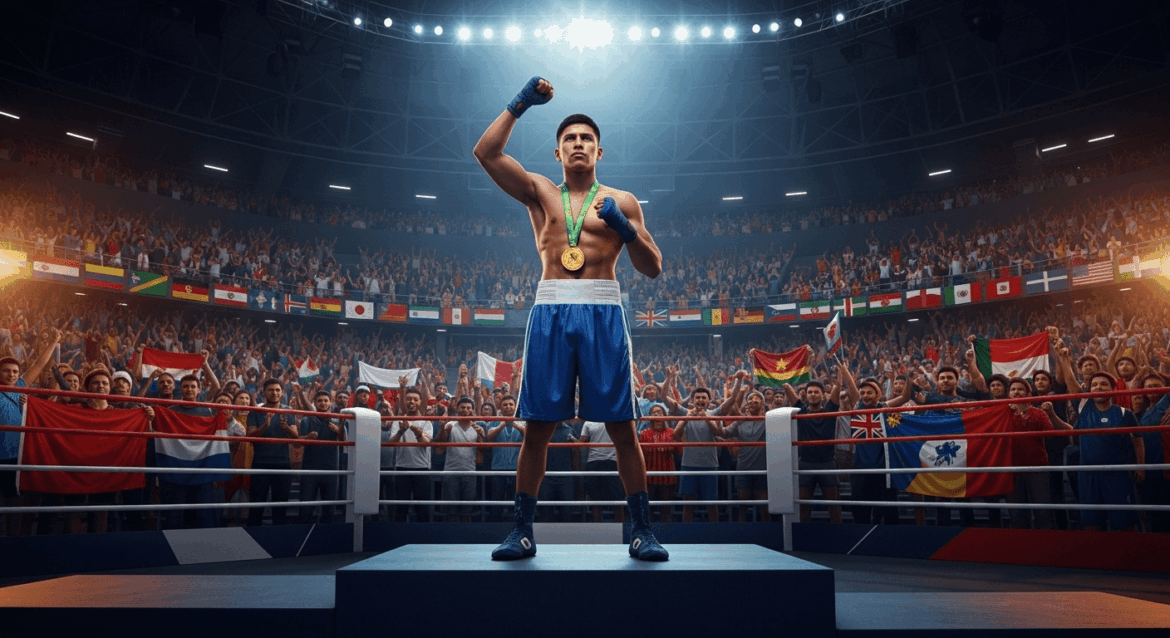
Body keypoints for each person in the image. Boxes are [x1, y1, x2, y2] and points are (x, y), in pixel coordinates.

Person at [474, 77, 667, 561]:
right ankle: (521, 530)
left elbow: (653, 267)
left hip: (604, 307)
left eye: (586, 139)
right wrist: (520, 104)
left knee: (621, 426)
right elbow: (486, 153)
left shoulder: (623, 201)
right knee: (539, 427)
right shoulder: (540, 191)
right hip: (551, 307)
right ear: (557, 153)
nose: (578, 144)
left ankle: (641, 530)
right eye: (569, 140)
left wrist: (625, 229)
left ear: (599, 151)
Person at [1074, 372, 1143, 531]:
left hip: (1117, 475)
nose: (1098, 387)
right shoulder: (1085, 407)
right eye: (1094, 384)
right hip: (1088, 475)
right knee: (1091, 524)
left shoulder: (1125, 413)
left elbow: (1138, 439)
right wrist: (1063, 358)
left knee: (1125, 524)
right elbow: (1072, 384)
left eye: (1103, 384)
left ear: (1113, 389)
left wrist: (1140, 466)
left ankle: (1128, 555)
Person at [1003, 377, 1072, 529]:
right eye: (1013, 389)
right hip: (1012, 470)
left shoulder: (1038, 413)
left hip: (1037, 468)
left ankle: (1046, 546)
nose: (1016, 392)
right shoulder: (1002, 414)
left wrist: (1050, 413)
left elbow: (1050, 434)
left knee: (1043, 513)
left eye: (1020, 389)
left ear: (1028, 393)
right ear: (1008, 393)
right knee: (1017, 514)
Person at [246, 378, 298, 526]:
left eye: (277, 390)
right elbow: (250, 437)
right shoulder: (256, 411)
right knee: (256, 507)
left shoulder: (288, 411)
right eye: (270, 390)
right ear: (264, 392)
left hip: (282, 464)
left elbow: (296, 437)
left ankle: (279, 541)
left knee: (280, 508)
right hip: (260, 463)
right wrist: (264, 425)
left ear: (282, 392)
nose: (274, 393)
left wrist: (286, 427)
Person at [298, 390, 345, 524]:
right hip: (309, 469)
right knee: (306, 510)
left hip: (331, 469)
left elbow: (345, 442)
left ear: (330, 402)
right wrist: (308, 437)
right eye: (319, 401)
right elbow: (298, 441)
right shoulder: (307, 419)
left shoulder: (337, 419)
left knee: (329, 511)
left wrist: (337, 430)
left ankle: (326, 540)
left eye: (325, 400)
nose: (323, 403)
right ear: (315, 403)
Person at [435, 398, 485, 523]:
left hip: (470, 471)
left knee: (467, 511)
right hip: (451, 471)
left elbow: (483, 450)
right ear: (457, 409)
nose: (465, 410)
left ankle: (466, 538)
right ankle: (450, 538)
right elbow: (439, 447)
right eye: (462, 407)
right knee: (450, 511)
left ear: (472, 410)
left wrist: (480, 436)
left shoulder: (477, 427)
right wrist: (442, 428)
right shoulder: (450, 424)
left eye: (468, 408)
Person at [389, 385, 433, 522]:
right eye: (408, 399)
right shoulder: (398, 421)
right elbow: (391, 443)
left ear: (420, 402)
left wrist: (417, 432)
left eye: (415, 399)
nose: (411, 402)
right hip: (402, 467)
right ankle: (398, 537)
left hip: (422, 468)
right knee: (401, 507)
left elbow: (425, 443)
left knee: (422, 508)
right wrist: (401, 431)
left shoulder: (426, 422)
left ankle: (424, 538)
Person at [638, 404, 679, 523]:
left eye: (659, 412)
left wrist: (671, 446)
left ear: (665, 416)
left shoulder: (672, 432)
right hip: (649, 477)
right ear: (650, 417)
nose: (657, 414)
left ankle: (668, 535)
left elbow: (680, 451)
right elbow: (640, 454)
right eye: (654, 412)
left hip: (667, 476)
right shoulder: (644, 433)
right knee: (647, 508)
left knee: (666, 509)